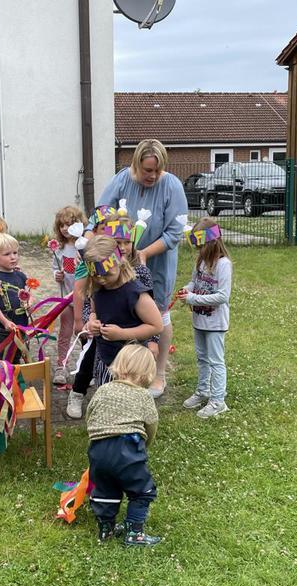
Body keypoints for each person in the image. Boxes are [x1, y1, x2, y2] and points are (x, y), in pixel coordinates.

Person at [97, 139, 188, 397]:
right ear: (136, 164)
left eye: (158, 170)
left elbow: (174, 232)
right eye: (148, 170)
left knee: (158, 314)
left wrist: (144, 253)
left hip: (157, 263)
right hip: (119, 260)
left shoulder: (172, 186)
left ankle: (158, 374)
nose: (153, 176)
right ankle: (122, 371)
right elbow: (102, 214)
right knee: (121, 312)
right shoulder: (122, 180)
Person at [86, 344, 161, 546]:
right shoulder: (144, 395)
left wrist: (95, 434)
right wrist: (145, 445)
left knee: (104, 490)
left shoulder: (103, 390)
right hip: (128, 447)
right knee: (142, 490)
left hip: (99, 448)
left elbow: (90, 413)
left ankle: (106, 530)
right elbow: (151, 424)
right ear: (148, 372)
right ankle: (134, 532)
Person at [84, 235, 162, 385]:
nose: (101, 279)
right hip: (106, 360)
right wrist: (92, 322)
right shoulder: (98, 287)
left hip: (131, 366)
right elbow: (94, 311)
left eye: (107, 274)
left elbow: (156, 326)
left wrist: (122, 334)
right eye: (96, 275)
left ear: (119, 263)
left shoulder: (135, 293)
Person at [178, 217, 232, 418]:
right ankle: (203, 391)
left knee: (216, 361)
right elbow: (195, 282)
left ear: (211, 243)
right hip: (199, 320)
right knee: (202, 358)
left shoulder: (224, 265)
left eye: (201, 247)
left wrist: (192, 298)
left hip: (215, 323)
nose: (199, 251)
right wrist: (187, 289)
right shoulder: (201, 262)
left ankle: (218, 401)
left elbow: (223, 296)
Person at [102, 211, 161, 395]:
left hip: (134, 344)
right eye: (117, 243)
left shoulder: (140, 272)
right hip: (106, 344)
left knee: (133, 387)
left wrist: (153, 341)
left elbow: (152, 310)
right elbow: (91, 301)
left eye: (127, 242)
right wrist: (91, 320)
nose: (123, 248)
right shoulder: (102, 270)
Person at [66, 205, 116, 418]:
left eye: (113, 228)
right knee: (92, 351)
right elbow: (79, 290)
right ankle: (77, 392)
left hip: (113, 310)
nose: (110, 232)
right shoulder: (90, 254)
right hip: (91, 310)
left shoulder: (117, 251)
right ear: (95, 230)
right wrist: (78, 320)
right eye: (105, 228)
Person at [51, 205, 87, 385]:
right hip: (65, 299)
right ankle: (61, 366)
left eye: (69, 224)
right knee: (65, 333)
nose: (65, 228)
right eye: (62, 225)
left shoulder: (85, 246)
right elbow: (55, 268)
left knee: (84, 333)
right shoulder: (59, 248)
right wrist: (56, 274)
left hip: (84, 300)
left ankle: (86, 368)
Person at [0, 232, 29, 355]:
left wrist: (29, 303)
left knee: (19, 355)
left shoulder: (20, 275)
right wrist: (5, 322)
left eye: (15, 253)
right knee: (4, 359)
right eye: (7, 254)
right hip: (2, 329)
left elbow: (28, 295)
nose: (13, 257)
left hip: (21, 325)